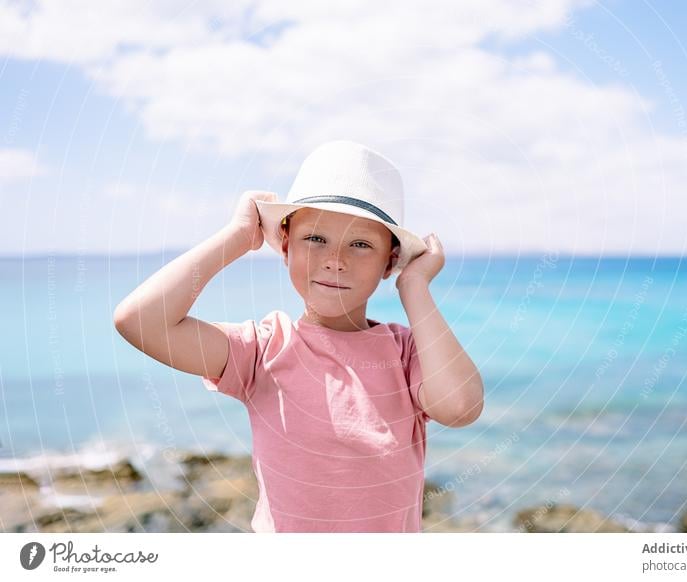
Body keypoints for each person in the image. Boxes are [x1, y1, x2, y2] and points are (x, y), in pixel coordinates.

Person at [113, 140, 484, 532]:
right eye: (315, 238)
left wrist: (415, 287)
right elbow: (139, 320)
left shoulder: (407, 351)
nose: (335, 260)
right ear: (286, 245)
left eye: (360, 244)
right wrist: (238, 236)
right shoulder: (262, 349)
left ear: (389, 261)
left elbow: (460, 406)